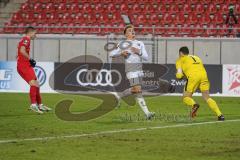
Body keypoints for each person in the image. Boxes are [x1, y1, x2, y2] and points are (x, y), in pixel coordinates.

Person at [110, 25, 155, 120]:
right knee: (138, 90)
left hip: (139, 70)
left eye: (133, 30)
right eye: (130, 31)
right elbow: (111, 54)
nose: (132, 32)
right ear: (126, 34)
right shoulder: (123, 43)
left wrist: (139, 52)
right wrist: (120, 53)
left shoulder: (140, 43)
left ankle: (118, 96)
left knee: (134, 90)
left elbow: (146, 58)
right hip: (131, 69)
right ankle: (147, 113)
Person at [175, 46, 224, 121]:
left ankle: (194, 105)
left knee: (185, 97)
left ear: (181, 53)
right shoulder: (196, 57)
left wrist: (179, 76)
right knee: (207, 97)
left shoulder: (180, 60)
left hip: (193, 77)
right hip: (204, 75)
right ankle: (220, 115)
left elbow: (179, 74)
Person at [17, 26, 51, 114]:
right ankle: (33, 105)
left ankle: (40, 105)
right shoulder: (26, 39)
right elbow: (22, 50)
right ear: (30, 32)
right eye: (35, 33)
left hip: (26, 65)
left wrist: (24, 58)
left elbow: (19, 49)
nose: (36, 35)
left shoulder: (25, 40)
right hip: (24, 66)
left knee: (37, 84)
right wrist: (30, 59)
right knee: (33, 84)